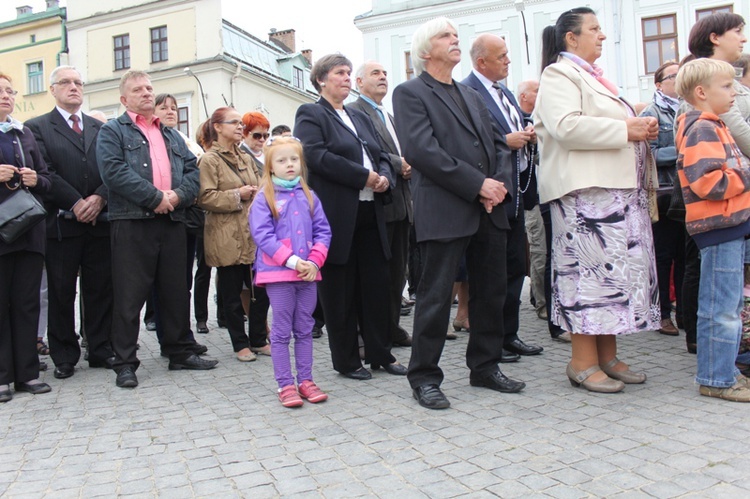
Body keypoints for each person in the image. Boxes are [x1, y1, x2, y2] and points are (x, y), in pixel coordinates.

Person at [393, 17, 524, 410]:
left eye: (454, 35)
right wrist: (476, 185)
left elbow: (498, 146)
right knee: (434, 297)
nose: (454, 40)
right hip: (445, 208)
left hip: (487, 209)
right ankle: (425, 377)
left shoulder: (471, 95)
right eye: (444, 36)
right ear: (424, 50)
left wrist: (495, 186)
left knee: (491, 292)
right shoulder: (410, 93)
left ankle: (485, 366)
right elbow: (422, 151)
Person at [535, 7, 660, 394]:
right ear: (571, 38)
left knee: (614, 280)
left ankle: (607, 356)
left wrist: (638, 127)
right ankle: (582, 362)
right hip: (585, 198)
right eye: (594, 29)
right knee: (588, 279)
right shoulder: (559, 74)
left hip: (612, 195)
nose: (602, 36)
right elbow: (566, 126)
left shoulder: (592, 77)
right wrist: (626, 128)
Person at [96, 70, 218, 388]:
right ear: (124, 99)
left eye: (149, 88)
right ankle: (124, 362)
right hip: (133, 223)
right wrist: (154, 198)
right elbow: (113, 173)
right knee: (129, 294)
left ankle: (179, 351)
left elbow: (194, 170)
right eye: (138, 90)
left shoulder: (171, 135)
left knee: (175, 290)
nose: (147, 93)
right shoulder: (113, 132)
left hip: (173, 221)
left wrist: (176, 197)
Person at [295, 53, 406, 380]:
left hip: (373, 209)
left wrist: (383, 176)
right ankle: (346, 360)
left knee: (377, 285)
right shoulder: (311, 113)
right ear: (321, 80)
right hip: (337, 214)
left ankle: (380, 353)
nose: (346, 78)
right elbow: (317, 157)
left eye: (347, 73)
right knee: (340, 291)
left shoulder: (359, 116)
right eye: (339, 73)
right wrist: (363, 177)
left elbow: (382, 153)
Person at [26, 65, 115, 379]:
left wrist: (100, 197)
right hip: (62, 223)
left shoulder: (101, 128)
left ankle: (101, 348)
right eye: (65, 82)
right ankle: (64, 355)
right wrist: (76, 202)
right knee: (62, 292)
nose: (73, 87)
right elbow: (45, 172)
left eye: (78, 82)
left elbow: (112, 169)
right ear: (53, 89)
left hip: (99, 221)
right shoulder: (36, 128)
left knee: (100, 289)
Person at [462, 34, 544, 361]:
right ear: (482, 62)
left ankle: (510, 334)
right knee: (489, 276)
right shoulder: (468, 90)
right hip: (491, 194)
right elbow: (471, 140)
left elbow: (512, 124)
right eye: (502, 56)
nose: (508, 61)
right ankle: (491, 343)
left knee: (513, 268)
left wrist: (526, 129)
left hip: (517, 190)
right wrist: (505, 140)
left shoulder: (503, 90)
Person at [674, 57, 750, 402]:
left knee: (724, 304)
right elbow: (708, 182)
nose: (734, 92)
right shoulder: (702, 127)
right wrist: (747, 173)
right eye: (727, 86)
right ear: (701, 92)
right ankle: (717, 379)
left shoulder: (713, 123)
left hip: (726, 226)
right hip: (719, 226)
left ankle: (721, 372)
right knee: (721, 307)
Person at [249, 136, 332, 407]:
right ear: (270, 166)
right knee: (282, 330)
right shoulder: (265, 197)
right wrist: (294, 261)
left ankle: (306, 380)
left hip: (308, 274)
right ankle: (285, 384)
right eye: (282, 160)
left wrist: (315, 261)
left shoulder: (310, 195)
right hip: (279, 275)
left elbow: (323, 231)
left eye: (294, 159)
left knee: (305, 327)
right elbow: (263, 235)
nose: (289, 165)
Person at [349, 60, 413, 348]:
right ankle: (366, 334)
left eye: (386, 73)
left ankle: (390, 327)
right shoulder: (354, 112)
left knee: (397, 272)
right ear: (359, 82)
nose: (383, 77)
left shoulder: (387, 114)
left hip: (401, 203)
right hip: (377, 203)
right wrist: (400, 164)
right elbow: (369, 151)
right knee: (374, 275)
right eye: (376, 73)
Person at [197, 107, 270, 362]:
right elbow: (204, 197)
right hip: (225, 234)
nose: (240, 127)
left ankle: (259, 339)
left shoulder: (246, 157)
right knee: (231, 293)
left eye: (241, 123)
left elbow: (262, 185)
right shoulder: (210, 160)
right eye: (234, 123)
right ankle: (240, 344)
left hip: (253, 232)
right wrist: (237, 194)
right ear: (218, 127)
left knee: (261, 290)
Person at [0, 72, 53, 402]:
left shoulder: (23, 133)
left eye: (9, 90)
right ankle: (2, 376)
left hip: (29, 230)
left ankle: (28, 374)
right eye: (0, 91)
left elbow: (47, 180)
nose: (6, 96)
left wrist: (36, 178)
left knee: (26, 303)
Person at [153, 93, 211, 336]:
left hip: (187, 216)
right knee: (164, 280)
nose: (170, 112)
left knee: (182, 279)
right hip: (158, 213)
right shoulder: (151, 138)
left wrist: (183, 194)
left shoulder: (185, 142)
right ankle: (161, 324)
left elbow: (192, 174)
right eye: (164, 107)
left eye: (174, 108)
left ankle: (181, 331)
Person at [639, 62, 684, 337]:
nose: (679, 80)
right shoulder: (651, 113)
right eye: (673, 76)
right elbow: (649, 155)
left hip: (687, 192)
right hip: (665, 193)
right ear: (659, 84)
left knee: (684, 256)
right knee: (663, 256)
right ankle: (662, 314)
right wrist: (683, 150)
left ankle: (681, 309)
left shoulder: (688, 107)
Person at [516, 79, 547, 322]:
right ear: (524, 96)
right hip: (530, 198)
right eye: (537, 90)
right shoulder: (517, 120)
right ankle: (541, 301)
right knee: (539, 250)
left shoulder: (545, 118)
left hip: (549, 194)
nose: (541, 93)